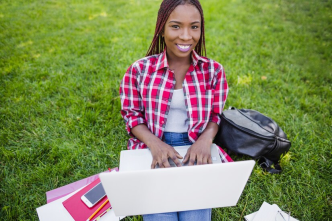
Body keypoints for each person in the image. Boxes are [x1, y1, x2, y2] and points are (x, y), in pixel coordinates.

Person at [119, 0, 229, 220]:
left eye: (194, 27)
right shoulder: (139, 70)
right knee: (160, 212)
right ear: (162, 29)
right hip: (153, 146)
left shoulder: (213, 71)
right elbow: (132, 115)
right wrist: (155, 144)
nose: (186, 36)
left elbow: (216, 115)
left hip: (194, 148)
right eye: (176, 26)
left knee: (194, 213)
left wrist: (205, 141)